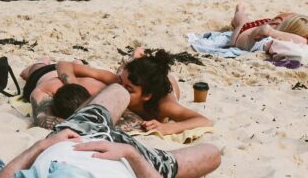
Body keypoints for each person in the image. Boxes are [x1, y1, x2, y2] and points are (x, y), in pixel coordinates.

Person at [0, 84, 222, 178]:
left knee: (120, 89)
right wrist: (131, 153)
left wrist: (41, 146)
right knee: (212, 153)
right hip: (122, 158)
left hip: (74, 137)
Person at [54, 50, 213, 136]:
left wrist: (168, 128)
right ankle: (136, 56)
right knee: (124, 72)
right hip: (140, 78)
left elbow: (204, 121)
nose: (121, 90)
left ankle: (137, 55)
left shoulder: (163, 106)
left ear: (146, 96)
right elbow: (64, 64)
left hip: (165, 83)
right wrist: (72, 85)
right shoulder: (119, 82)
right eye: (121, 84)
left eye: (129, 89)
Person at [227, 3, 308, 52]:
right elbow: (303, 41)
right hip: (243, 32)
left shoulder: (276, 35)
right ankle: (240, 9)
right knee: (241, 20)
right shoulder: (266, 36)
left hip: (270, 25)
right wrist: (271, 32)